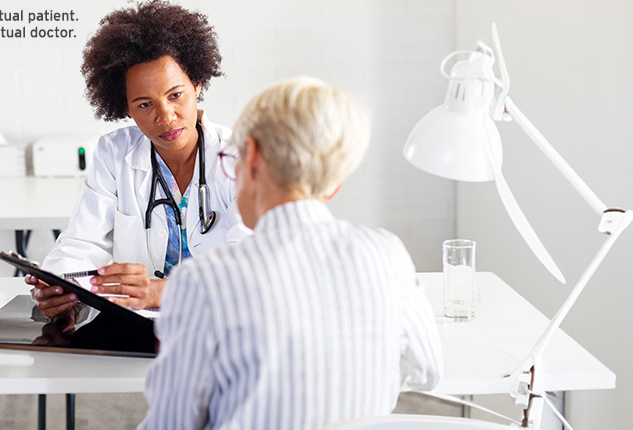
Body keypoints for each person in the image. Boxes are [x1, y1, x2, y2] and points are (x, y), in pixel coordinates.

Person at [139, 77, 443, 429]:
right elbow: (428, 372)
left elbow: (172, 422)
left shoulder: (205, 279)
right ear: (335, 184)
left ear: (250, 157)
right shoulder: (388, 254)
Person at [25, 0, 247, 316]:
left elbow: (252, 265)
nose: (166, 116)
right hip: (137, 331)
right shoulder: (114, 154)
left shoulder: (240, 157)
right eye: (144, 105)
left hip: (222, 327)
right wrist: (60, 285)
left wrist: (161, 293)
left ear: (197, 85)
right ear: (126, 109)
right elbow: (81, 244)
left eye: (175, 95)